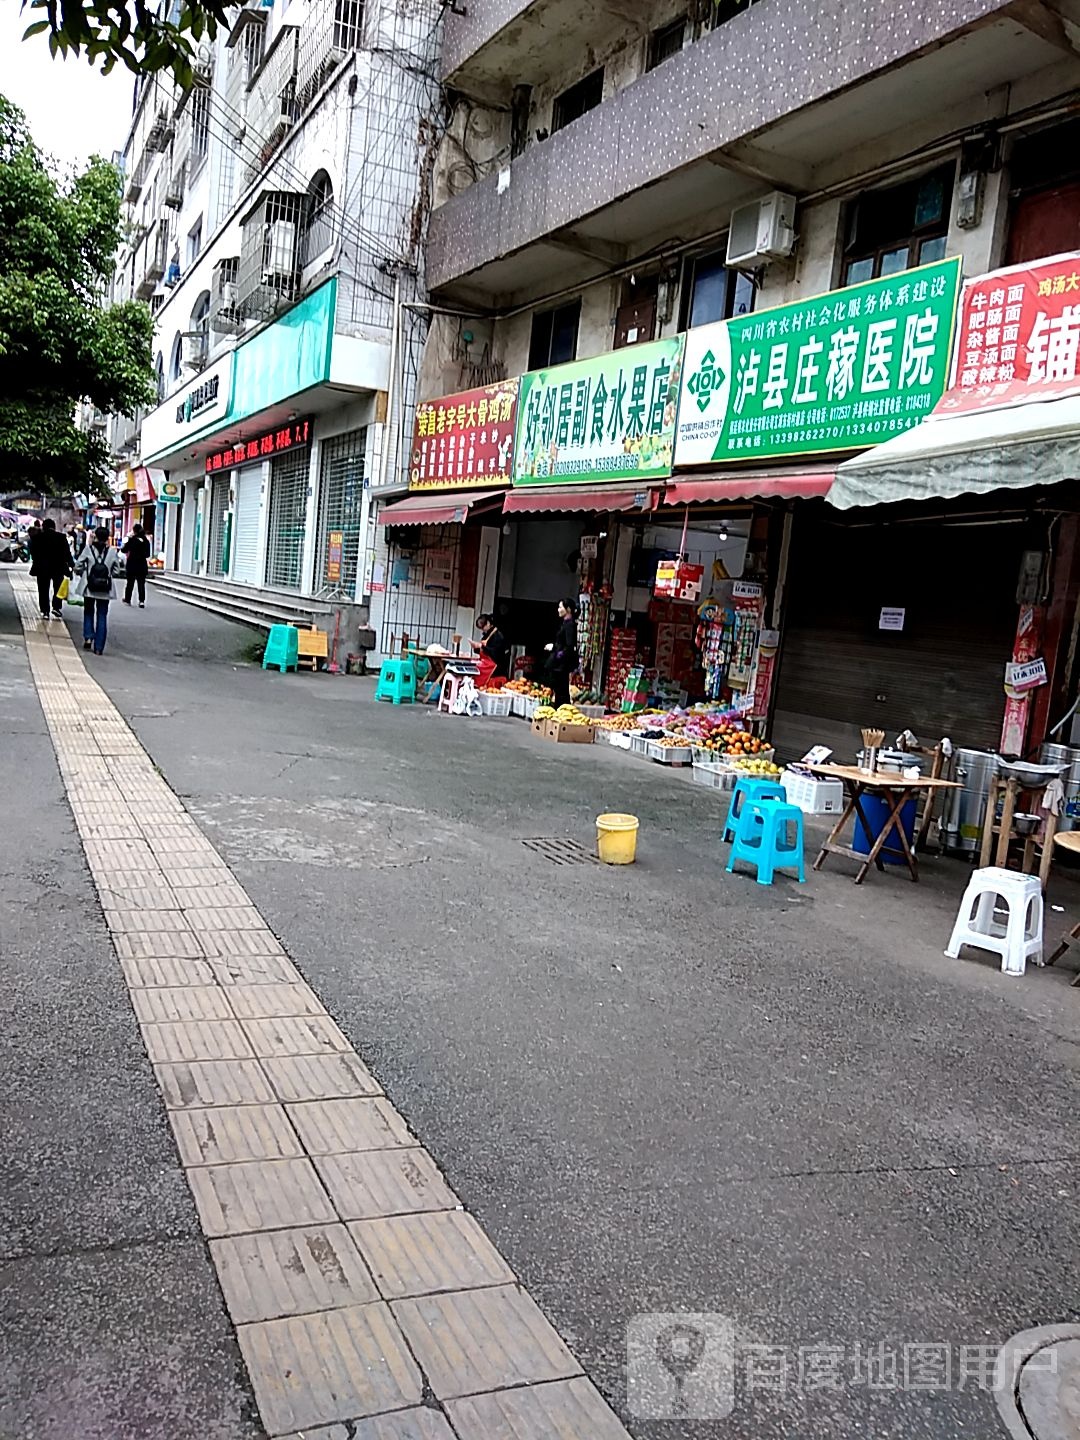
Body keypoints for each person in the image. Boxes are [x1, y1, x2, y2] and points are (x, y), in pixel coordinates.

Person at [75, 526, 122, 655]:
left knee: (88, 612)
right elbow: (117, 570)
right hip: (105, 589)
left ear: (95, 536)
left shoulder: (88, 549)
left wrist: (84, 573)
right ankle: (99, 647)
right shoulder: (112, 552)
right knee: (102, 615)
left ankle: (88, 637)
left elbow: (78, 565)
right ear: (107, 538)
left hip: (90, 587)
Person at [28, 518, 73, 619]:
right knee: (58, 588)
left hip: (42, 568)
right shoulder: (61, 537)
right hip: (58, 567)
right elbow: (67, 553)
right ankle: (56, 607)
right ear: (54, 527)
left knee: (43, 589)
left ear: (43, 527)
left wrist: (37, 560)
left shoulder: (38, 537)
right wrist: (71, 564)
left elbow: (32, 551)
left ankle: (45, 611)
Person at [546, 597, 579, 709]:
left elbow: (569, 646)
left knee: (561, 691)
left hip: (562, 665)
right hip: (559, 663)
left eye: (560, 607)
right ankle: (561, 710)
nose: (558, 610)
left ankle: (562, 711)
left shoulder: (569, 625)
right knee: (560, 690)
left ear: (568, 609)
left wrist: (557, 652)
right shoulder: (566, 623)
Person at [470, 613, 510, 687]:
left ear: (488, 623)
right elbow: (484, 650)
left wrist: (481, 647)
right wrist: (476, 648)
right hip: (487, 664)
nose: (482, 629)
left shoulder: (498, 636)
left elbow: (496, 653)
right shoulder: (487, 635)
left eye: (482, 627)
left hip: (496, 670)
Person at [121, 523, 151, 607]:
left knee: (130, 583)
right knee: (141, 584)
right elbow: (148, 554)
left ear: (134, 531)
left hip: (132, 564)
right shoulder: (146, 541)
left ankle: (128, 599)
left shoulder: (131, 539)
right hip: (142, 565)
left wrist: (128, 539)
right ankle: (141, 601)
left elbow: (124, 550)